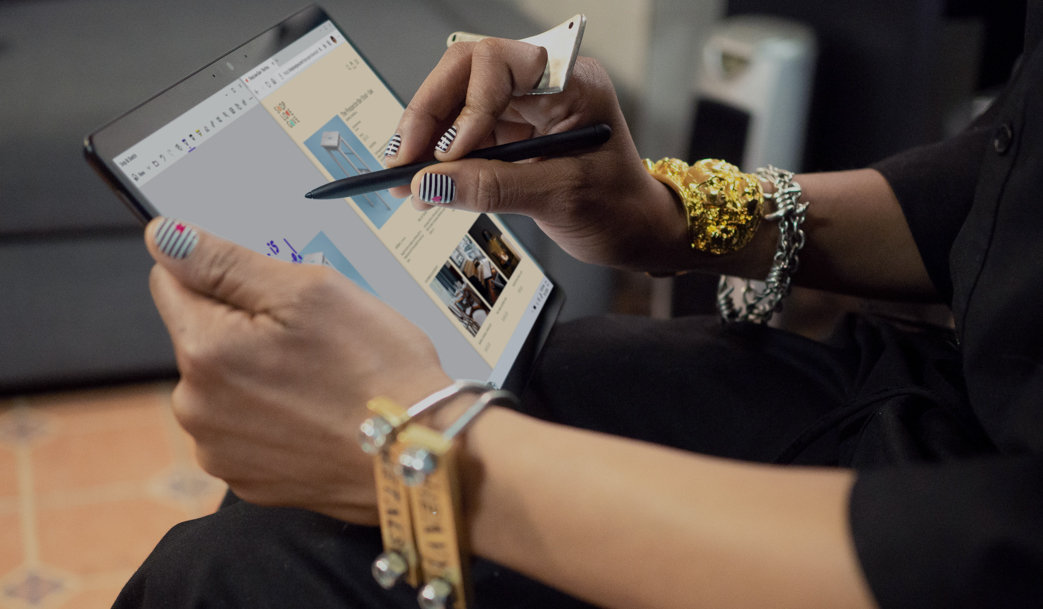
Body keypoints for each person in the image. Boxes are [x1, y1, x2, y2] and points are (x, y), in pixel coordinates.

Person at [113, 4, 1043, 608]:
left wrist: (438, 449)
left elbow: (1000, 554)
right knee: (328, 489)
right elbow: (1003, 179)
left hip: (961, 535)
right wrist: (666, 215)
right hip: (949, 395)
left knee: (236, 579)